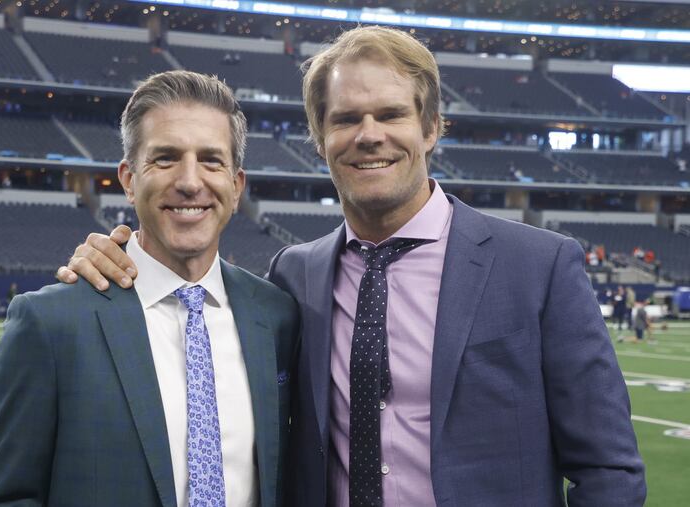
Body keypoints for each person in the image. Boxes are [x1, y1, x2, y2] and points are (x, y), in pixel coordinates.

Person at [58, 26, 645, 506]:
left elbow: (609, 469)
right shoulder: (295, 275)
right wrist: (114, 255)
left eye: (391, 114)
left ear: (432, 127)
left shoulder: (539, 267)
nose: (369, 136)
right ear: (318, 137)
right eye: (344, 119)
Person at [0, 70, 299, 507]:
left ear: (236, 187)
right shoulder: (49, 324)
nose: (189, 181)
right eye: (164, 158)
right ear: (128, 179)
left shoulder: (277, 317)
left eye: (211, 160)